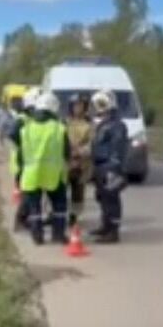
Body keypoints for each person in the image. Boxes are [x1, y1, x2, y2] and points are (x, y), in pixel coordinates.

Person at [12, 92, 69, 245]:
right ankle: (58, 235)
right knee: (59, 206)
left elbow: (20, 155)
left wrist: (20, 174)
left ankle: (37, 236)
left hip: (31, 174)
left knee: (34, 207)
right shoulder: (59, 128)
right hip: (54, 175)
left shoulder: (26, 129)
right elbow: (67, 152)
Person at [90, 89, 128, 244]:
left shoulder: (117, 125)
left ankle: (113, 231)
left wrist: (114, 167)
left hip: (110, 166)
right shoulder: (104, 123)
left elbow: (117, 148)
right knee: (103, 198)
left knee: (111, 199)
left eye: (102, 103)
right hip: (101, 165)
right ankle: (105, 225)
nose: (99, 107)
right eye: (98, 104)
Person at [9, 87, 40, 231]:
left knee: (29, 193)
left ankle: (24, 219)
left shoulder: (30, 118)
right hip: (22, 163)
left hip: (29, 163)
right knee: (27, 194)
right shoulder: (22, 119)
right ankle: (21, 220)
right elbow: (12, 135)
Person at [65, 94, 93, 227]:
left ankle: (74, 217)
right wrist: (68, 151)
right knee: (59, 191)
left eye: (81, 106)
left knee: (78, 194)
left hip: (82, 165)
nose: (78, 108)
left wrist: (80, 152)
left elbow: (92, 143)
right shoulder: (65, 123)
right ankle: (56, 215)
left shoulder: (89, 125)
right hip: (65, 164)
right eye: (75, 105)